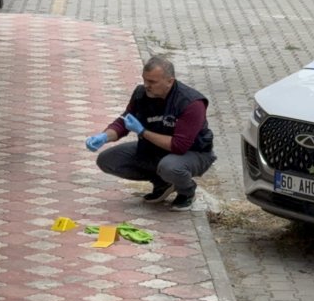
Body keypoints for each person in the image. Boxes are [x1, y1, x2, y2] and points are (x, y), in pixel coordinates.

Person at [85, 57, 216, 211]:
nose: (147, 85)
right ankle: (163, 183)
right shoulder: (141, 94)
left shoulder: (191, 103)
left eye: (152, 82)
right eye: (145, 80)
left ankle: (187, 191)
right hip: (155, 148)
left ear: (169, 81)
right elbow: (123, 122)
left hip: (193, 153)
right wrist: (105, 136)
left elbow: (179, 146)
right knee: (107, 160)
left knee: (170, 167)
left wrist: (143, 132)